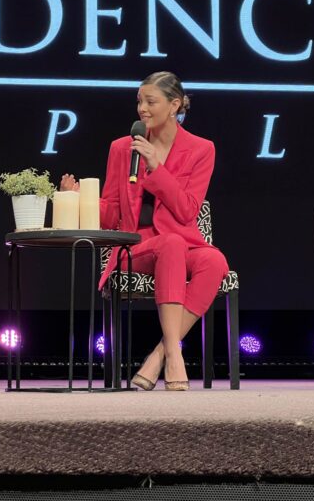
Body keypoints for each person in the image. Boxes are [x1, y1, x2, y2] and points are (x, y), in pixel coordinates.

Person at [61, 71, 229, 391]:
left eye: (151, 101)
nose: (142, 109)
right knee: (172, 244)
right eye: (139, 101)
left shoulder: (201, 149)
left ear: (174, 105)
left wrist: (156, 167)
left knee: (214, 261)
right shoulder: (122, 148)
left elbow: (186, 210)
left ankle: (160, 353)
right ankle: (175, 358)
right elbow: (111, 212)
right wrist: (80, 197)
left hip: (180, 241)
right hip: (133, 246)